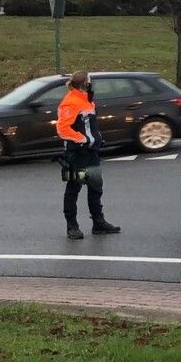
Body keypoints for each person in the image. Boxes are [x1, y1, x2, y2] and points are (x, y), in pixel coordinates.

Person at [56, 71, 121, 239]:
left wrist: (97, 138)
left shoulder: (86, 100)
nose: (92, 83)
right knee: (74, 188)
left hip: (91, 153)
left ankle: (98, 223)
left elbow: (89, 125)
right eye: (90, 81)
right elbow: (63, 128)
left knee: (95, 187)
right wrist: (83, 139)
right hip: (77, 154)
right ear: (85, 83)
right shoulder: (70, 102)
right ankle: (72, 226)